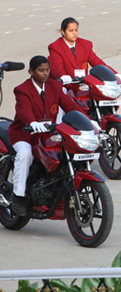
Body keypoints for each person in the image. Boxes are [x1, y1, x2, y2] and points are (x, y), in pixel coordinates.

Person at [9, 56, 88, 216]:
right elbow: (24, 110)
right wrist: (32, 123)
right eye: (41, 70)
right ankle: (18, 196)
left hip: (48, 133)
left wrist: (87, 120)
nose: (45, 74)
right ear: (31, 72)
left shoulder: (55, 86)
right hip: (24, 133)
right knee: (25, 155)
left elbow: (70, 105)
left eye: (47, 70)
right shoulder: (22, 89)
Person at [47, 17, 121, 84]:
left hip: (82, 83)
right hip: (64, 84)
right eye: (71, 30)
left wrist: (113, 74)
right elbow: (57, 67)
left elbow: (97, 62)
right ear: (63, 32)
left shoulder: (85, 45)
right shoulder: (55, 47)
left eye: (76, 30)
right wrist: (62, 76)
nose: (74, 33)